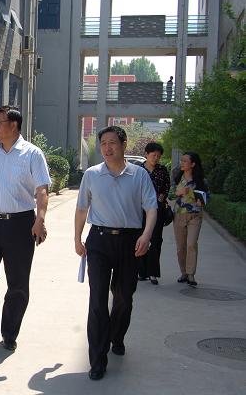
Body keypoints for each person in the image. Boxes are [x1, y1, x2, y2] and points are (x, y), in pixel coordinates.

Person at [74, 126, 157, 380]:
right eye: (103, 144)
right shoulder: (92, 174)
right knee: (98, 300)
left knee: (123, 297)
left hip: (130, 242)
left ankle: (117, 335)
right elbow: (81, 208)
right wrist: (77, 238)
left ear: (123, 144)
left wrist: (146, 235)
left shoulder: (139, 175)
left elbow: (151, 207)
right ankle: (98, 360)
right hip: (99, 241)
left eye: (112, 142)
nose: (107, 148)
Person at [0, 105, 51, 354]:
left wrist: (40, 220)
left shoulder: (32, 153)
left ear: (13, 125)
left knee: (17, 283)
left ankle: (10, 333)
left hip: (20, 224)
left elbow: (42, 190)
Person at [172, 152, 209, 287]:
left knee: (191, 244)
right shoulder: (177, 178)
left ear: (193, 164)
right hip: (179, 216)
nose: (181, 163)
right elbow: (170, 195)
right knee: (181, 247)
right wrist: (179, 192)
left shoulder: (201, 181)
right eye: (181, 161)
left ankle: (191, 274)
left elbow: (207, 198)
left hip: (195, 216)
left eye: (185, 161)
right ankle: (184, 273)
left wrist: (201, 202)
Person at [138, 142, 171, 285]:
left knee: (156, 240)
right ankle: (141, 271)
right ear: (146, 154)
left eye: (158, 156)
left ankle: (153, 273)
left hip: (158, 210)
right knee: (140, 239)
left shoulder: (162, 170)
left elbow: (167, 186)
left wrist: (163, 194)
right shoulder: (138, 170)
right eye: (154, 155)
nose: (156, 158)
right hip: (140, 210)